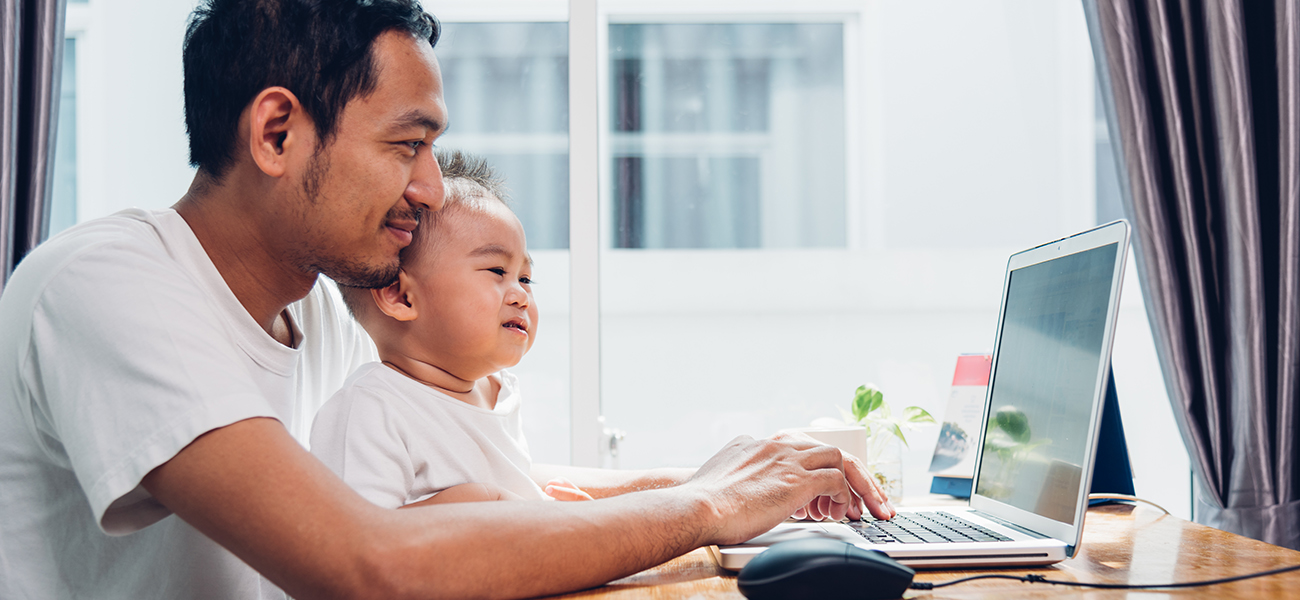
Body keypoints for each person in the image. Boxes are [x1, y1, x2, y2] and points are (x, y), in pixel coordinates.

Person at [0, 0, 895, 598]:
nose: (430, 188)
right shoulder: (107, 287)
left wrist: (705, 479)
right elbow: (370, 560)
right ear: (277, 133)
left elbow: (466, 476)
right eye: (407, 145)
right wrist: (703, 510)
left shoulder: (317, 301)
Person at [313, 149, 612, 506]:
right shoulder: (372, 409)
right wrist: (482, 502)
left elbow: (516, 500)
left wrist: (548, 508)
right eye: (497, 272)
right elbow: (361, 540)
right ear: (401, 296)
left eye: (526, 278)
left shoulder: (499, 393)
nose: (521, 295)